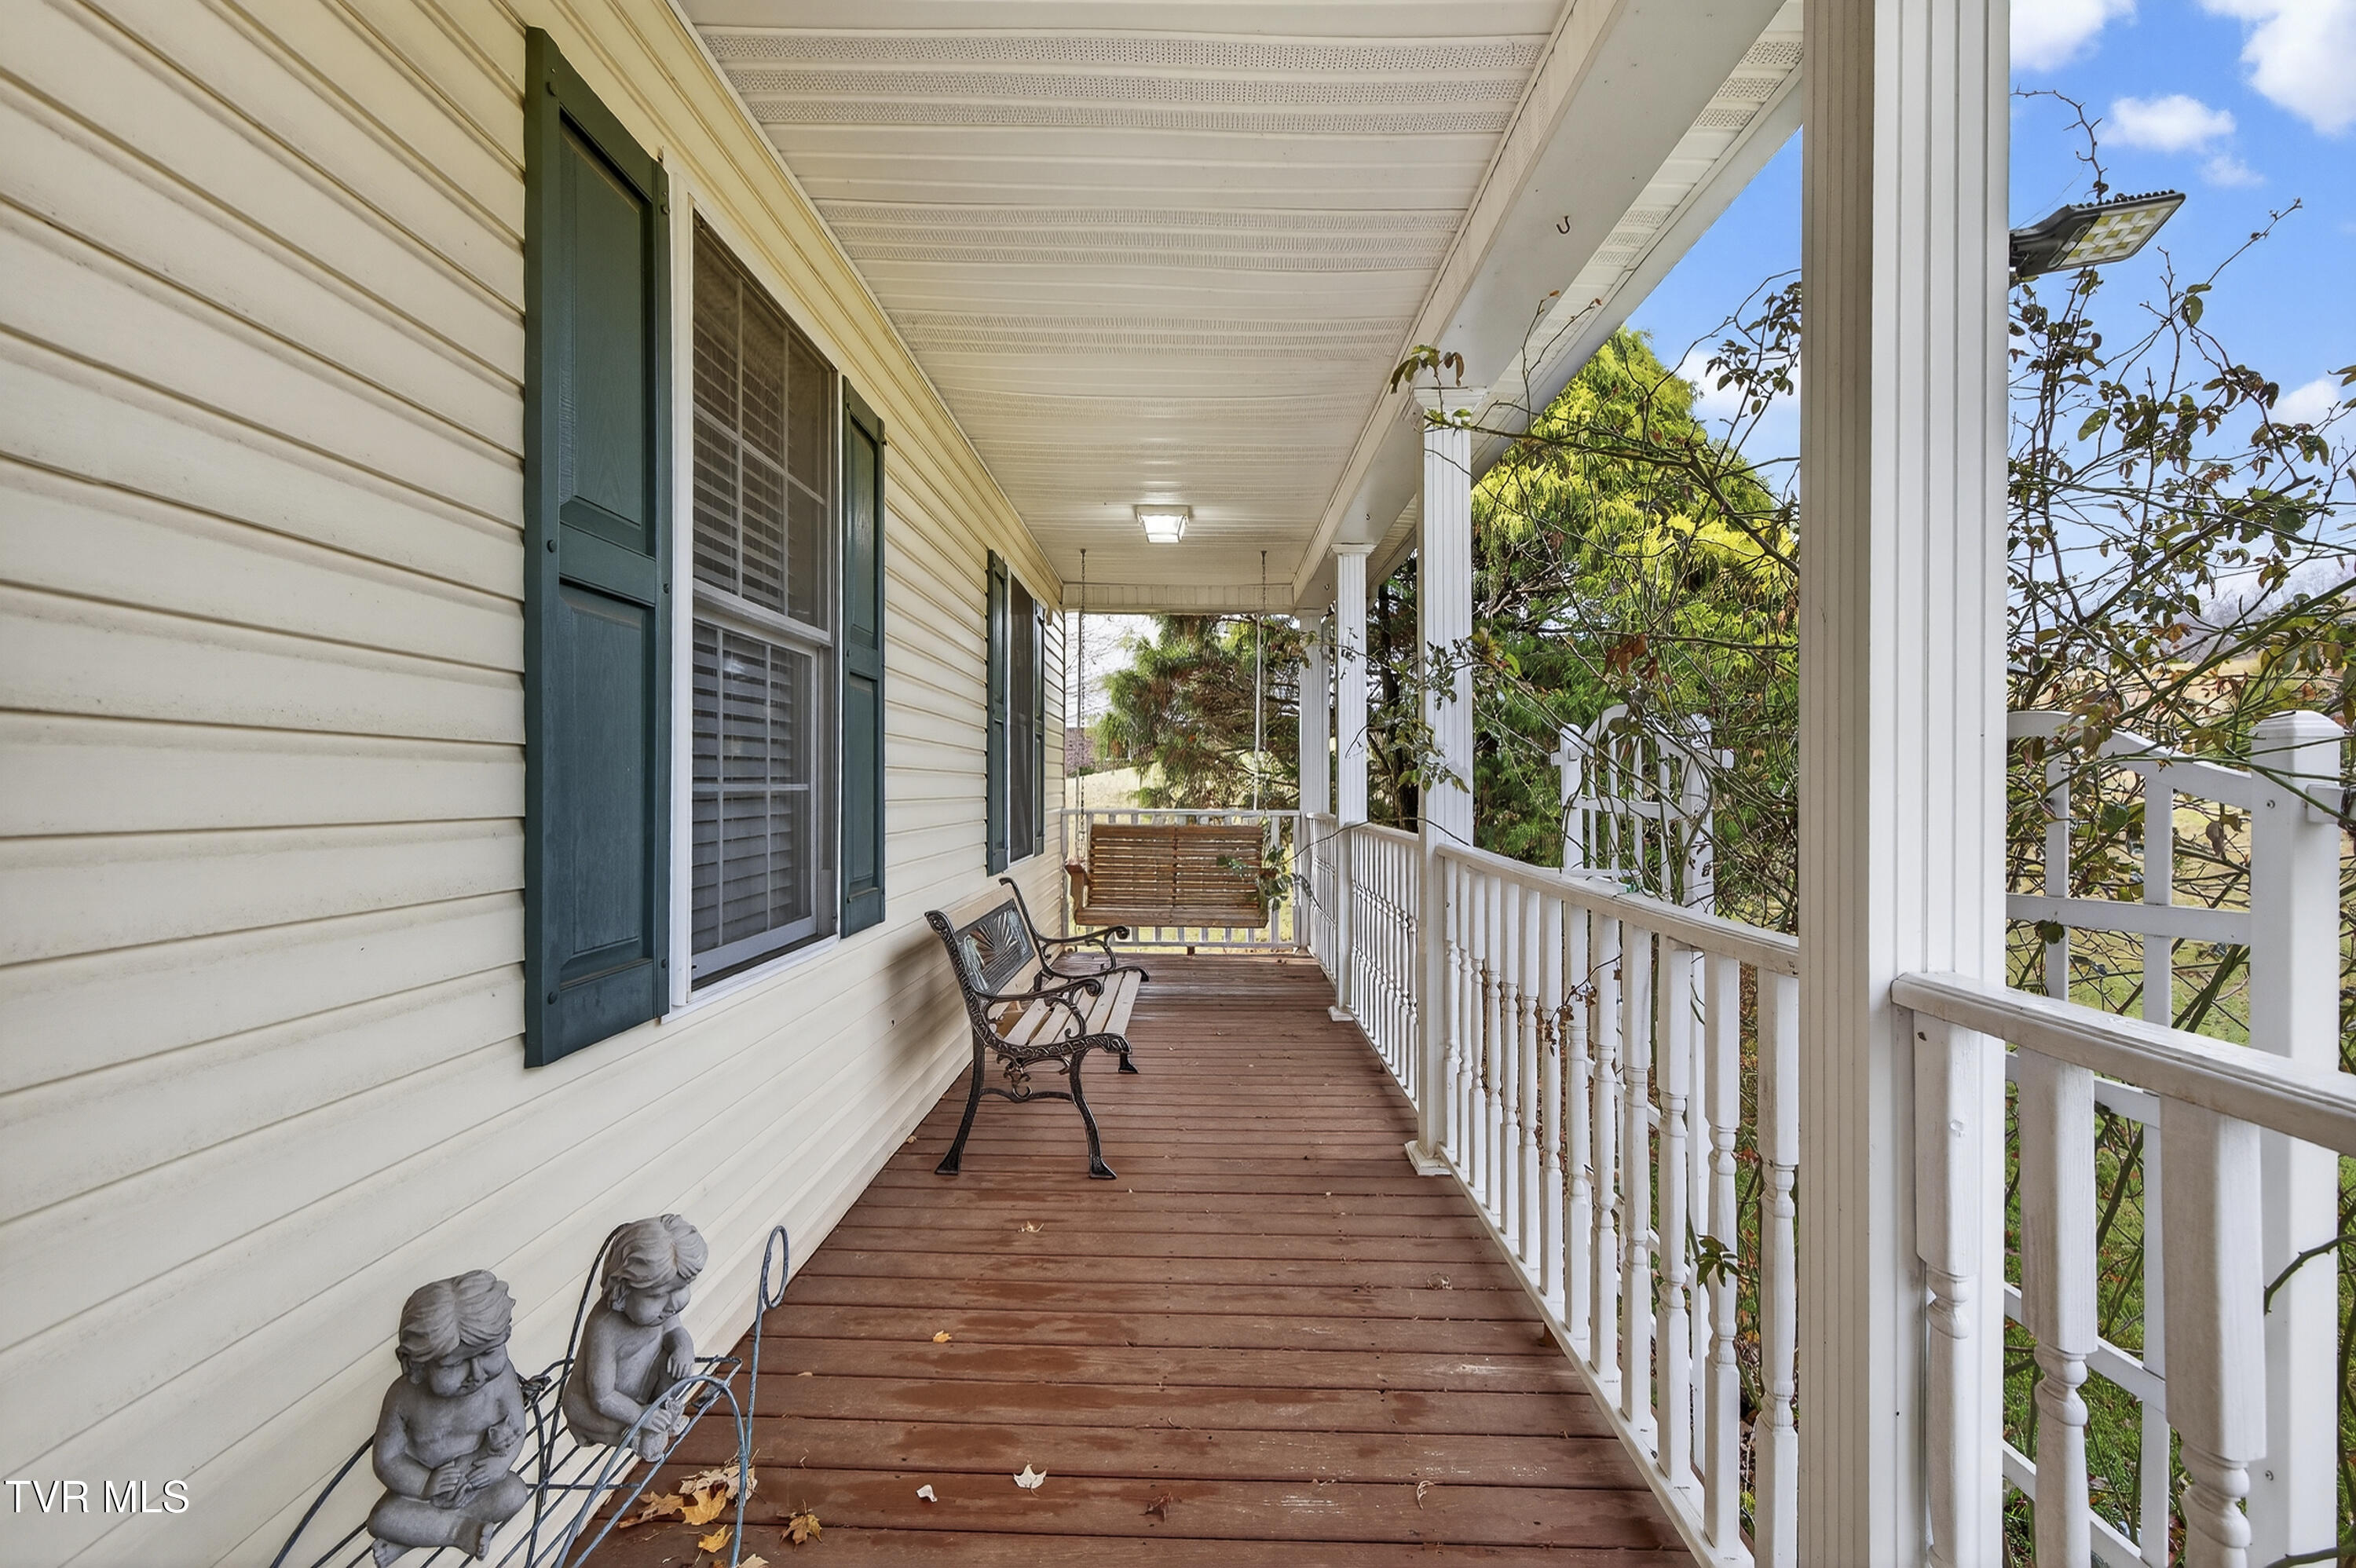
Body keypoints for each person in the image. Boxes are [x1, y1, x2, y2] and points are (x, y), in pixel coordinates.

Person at [367, 1270, 530, 1565]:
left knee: (515, 1493)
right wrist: (426, 1484)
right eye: (455, 1365)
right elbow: (387, 1460)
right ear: (414, 1364)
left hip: (478, 1484)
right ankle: (457, 1531)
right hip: (422, 1495)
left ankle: (421, 1536)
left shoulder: (502, 1379)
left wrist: (498, 1465)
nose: (477, 1375)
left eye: (489, 1354)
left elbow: (516, 1427)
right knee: (382, 1519)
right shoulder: (403, 1398)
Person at [562, 1214, 706, 1459]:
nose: (672, 1305)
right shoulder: (604, 1326)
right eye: (656, 1296)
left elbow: (674, 1331)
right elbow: (602, 1397)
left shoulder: (662, 1312)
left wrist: (684, 1347)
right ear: (623, 1290)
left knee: (674, 1365)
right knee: (606, 1420)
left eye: (680, 1289)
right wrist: (640, 1415)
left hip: (643, 1390)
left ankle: (662, 1414)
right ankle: (637, 1432)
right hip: (597, 1407)